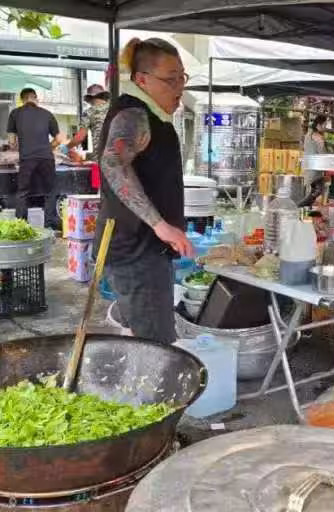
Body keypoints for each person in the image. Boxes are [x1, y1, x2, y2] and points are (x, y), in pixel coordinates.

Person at [95, 37, 194, 343]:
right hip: (136, 254)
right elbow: (113, 162)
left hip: (142, 251)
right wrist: (160, 225)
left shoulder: (153, 116)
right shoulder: (133, 114)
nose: (179, 87)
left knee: (141, 342)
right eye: (170, 79)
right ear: (142, 80)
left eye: (182, 77)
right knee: (157, 348)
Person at [7, 88, 63, 229]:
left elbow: (12, 142)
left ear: (22, 99)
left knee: (23, 192)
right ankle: (49, 225)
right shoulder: (47, 114)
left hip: (27, 158)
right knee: (50, 191)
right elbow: (59, 139)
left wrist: (19, 147)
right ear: (36, 98)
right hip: (46, 158)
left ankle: (21, 225)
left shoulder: (15, 114)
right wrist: (47, 148)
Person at [69, 84, 110, 158]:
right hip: (118, 156)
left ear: (90, 99)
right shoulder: (115, 109)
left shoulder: (89, 112)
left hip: (101, 156)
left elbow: (80, 137)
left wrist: (65, 148)